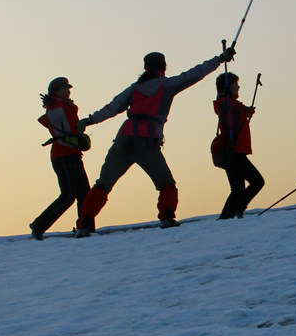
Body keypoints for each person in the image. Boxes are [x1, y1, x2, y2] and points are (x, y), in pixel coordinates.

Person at [75, 46, 235, 235]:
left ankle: (84, 224)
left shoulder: (135, 88)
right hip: (147, 142)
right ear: (163, 67)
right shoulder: (166, 85)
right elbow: (194, 74)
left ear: (145, 68)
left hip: (124, 139)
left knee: (103, 183)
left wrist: (90, 120)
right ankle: (167, 217)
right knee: (166, 183)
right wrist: (220, 59)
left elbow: (113, 107)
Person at [29, 76, 92, 240]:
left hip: (71, 154)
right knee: (68, 195)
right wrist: (52, 102)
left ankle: (85, 227)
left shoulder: (67, 106)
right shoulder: (56, 106)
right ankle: (38, 225)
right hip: (63, 155)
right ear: (56, 91)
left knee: (84, 193)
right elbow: (55, 113)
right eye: (65, 88)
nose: (68, 91)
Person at [211, 71, 264, 219]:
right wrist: (242, 110)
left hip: (233, 152)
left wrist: (245, 111)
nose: (238, 87)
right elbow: (229, 116)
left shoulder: (230, 105)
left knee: (237, 189)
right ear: (228, 87)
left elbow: (233, 115)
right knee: (257, 182)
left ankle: (228, 215)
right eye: (236, 85)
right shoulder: (226, 105)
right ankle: (235, 211)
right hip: (235, 152)